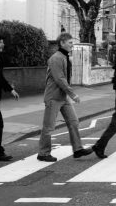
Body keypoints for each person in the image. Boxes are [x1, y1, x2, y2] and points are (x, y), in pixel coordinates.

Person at [37, 33, 93, 162]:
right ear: (62, 43)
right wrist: (72, 94)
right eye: (70, 43)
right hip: (53, 97)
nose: (72, 45)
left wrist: (68, 95)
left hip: (63, 97)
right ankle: (43, 153)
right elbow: (59, 79)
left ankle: (78, 150)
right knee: (49, 126)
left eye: (72, 43)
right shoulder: (56, 58)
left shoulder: (64, 57)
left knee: (73, 122)